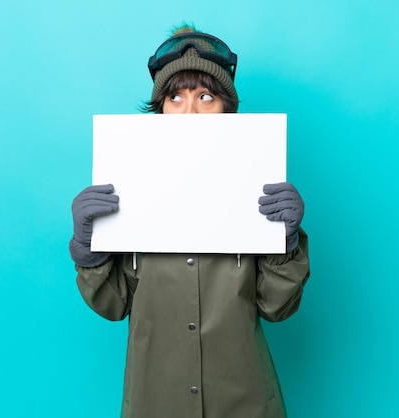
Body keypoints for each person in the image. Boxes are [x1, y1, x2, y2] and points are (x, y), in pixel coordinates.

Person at [69, 24, 310, 418]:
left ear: (226, 110)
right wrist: (87, 249)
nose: (190, 111)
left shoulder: (257, 188)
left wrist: (286, 243)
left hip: (245, 403)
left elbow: (276, 307)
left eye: (205, 96)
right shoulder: (128, 189)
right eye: (175, 97)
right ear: (160, 109)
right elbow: (113, 305)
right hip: (155, 403)